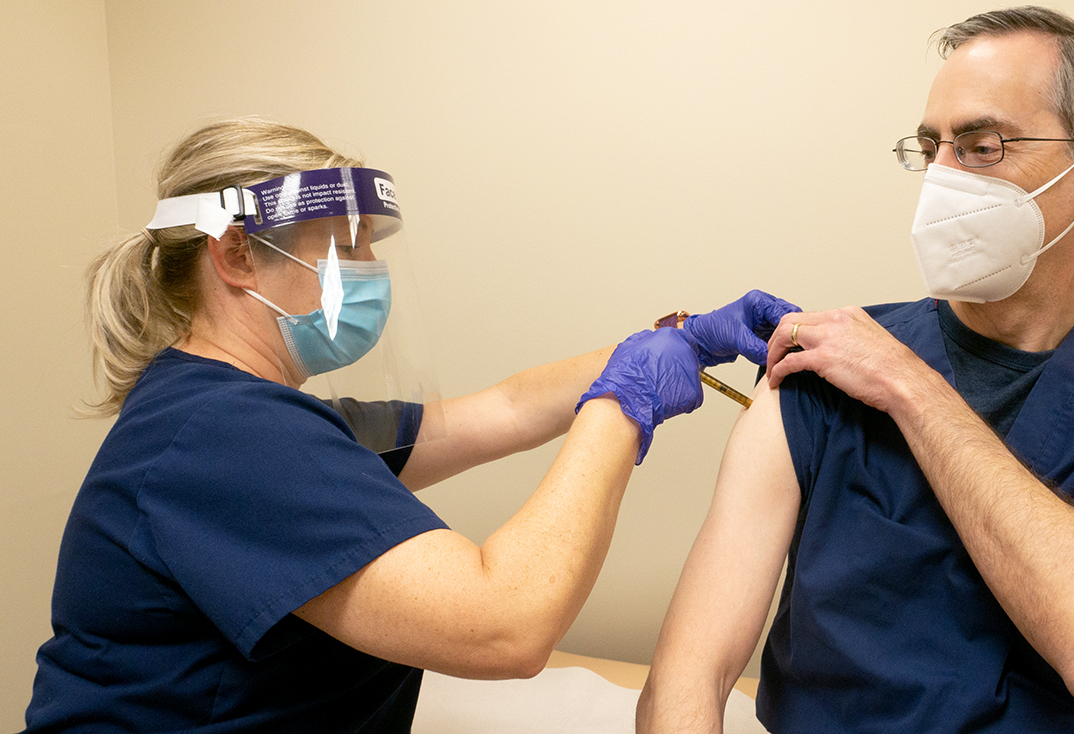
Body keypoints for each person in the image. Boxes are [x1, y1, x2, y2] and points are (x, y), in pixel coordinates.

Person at [23, 118, 798, 732]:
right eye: (345, 244)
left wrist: (677, 338)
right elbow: (506, 623)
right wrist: (622, 405)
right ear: (235, 255)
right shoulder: (227, 438)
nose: (368, 267)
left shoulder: (247, 416)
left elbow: (502, 409)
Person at [636, 7, 1074, 733]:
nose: (938, 179)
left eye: (981, 146)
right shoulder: (819, 368)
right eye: (930, 147)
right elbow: (691, 670)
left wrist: (910, 387)